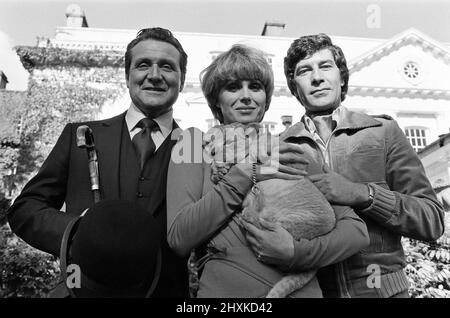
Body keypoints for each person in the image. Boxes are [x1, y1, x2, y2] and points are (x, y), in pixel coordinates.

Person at [166, 44, 369, 298]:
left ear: (266, 99)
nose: (246, 95)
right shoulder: (194, 144)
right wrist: (247, 172)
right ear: (216, 100)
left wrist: (296, 253)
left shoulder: (287, 151)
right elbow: (179, 237)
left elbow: (356, 233)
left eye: (255, 86)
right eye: (232, 87)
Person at [7, 27, 189, 297]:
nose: (154, 75)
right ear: (128, 76)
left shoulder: (197, 147)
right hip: (81, 289)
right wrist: (76, 231)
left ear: (181, 79)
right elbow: (25, 208)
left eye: (167, 67)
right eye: (143, 65)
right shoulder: (78, 135)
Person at [277, 33, 445, 297]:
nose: (317, 77)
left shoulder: (383, 131)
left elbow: (431, 220)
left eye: (325, 66)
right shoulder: (280, 149)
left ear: (342, 77)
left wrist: (362, 194)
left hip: (383, 291)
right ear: (294, 86)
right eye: (304, 71)